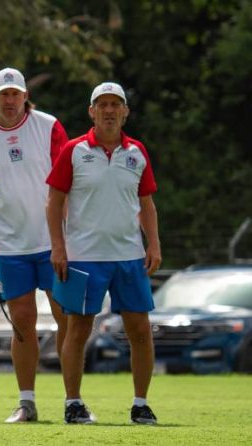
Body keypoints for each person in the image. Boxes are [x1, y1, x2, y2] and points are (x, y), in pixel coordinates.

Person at [45, 82, 161, 425]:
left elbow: (147, 204)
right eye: (102, 105)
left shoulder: (137, 152)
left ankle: (141, 404)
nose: (109, 110)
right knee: (78, 329)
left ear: (125, 111)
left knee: (140, 329)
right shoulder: (73, 150)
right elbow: (54, 202)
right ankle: (73, 403)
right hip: (83, 257)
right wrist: (58, 246)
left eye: (115, 104)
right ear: (91, 112)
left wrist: (153, 243)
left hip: (129, 256)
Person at [0, 67, 69, 423]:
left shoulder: (49, 126)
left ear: (25, 96)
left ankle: (75, 401)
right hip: (9, 245)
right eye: (3, 94)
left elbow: (67, 182)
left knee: (66, 318)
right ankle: (26, 402)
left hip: (53, 240)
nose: (9, 100)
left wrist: (65, 237)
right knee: (22, 322)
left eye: (15, 93)